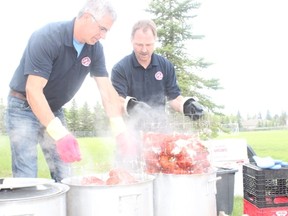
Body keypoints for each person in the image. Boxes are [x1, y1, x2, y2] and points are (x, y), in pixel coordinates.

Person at [5, 0, 127, 182]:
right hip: (23, 108)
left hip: (54, 109)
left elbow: (107, 93)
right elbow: (33, 90)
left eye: (106, 31)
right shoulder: (48, 37)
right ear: (87, 17)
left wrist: (120, 130)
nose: (103, 36)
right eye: (102, 29)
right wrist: (60, 134)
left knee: (65, 175)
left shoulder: (95, 50)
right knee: (26, 175)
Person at [111, 19, 204, 124]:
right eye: (139, 45)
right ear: (131, 40)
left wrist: (186, 105)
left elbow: (174, 98)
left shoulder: (165, 65)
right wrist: (133, 106)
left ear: (155, 40)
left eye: (149, 44)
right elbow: (117, 102)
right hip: (133, 131)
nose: (144, 50)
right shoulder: (120, 69)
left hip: (161, 128)